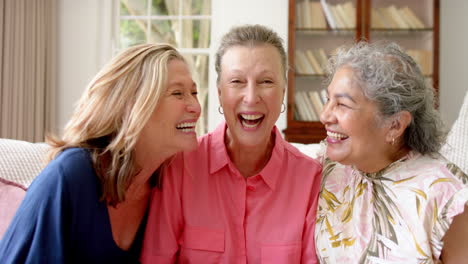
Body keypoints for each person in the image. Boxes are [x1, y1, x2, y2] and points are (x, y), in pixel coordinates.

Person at [0, 43, 201, 263]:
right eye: (177, 93)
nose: (196, 107)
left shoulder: (166, 187)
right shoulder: (71, 175)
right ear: (133, 105)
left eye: (194, 92)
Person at [141, 24, 322, 263]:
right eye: (236, 81)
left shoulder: (310, 178)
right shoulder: (179, 167)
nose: (250, 97)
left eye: (266, 82)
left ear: (283, 92)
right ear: (219, 93)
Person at [315, 41, 468, 263]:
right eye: (328, 99)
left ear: (395, 125)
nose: (324, 116)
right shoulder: (329, 170)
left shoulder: (446, 196)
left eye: (342, 105)